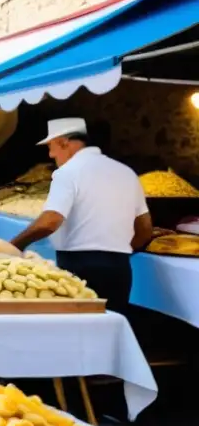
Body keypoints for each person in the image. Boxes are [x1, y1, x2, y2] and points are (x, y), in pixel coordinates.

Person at [11, 119, 152, 314]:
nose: (51, 155)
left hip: (80, 268)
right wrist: (118, 251)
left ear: (64, 143)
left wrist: (15, 245)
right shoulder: (127, 173)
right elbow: (145, 229)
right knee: (110, 326)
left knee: (78, 330)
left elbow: (50, 221)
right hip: (119, 269)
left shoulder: (67, 173)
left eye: (51, 147)